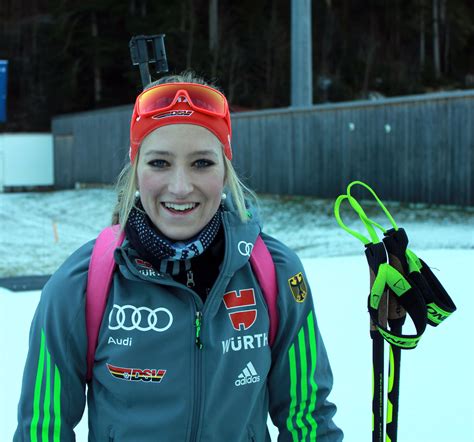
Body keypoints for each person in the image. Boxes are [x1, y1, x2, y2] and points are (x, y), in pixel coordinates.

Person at [14, 72, 343, 441]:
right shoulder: (81, 285)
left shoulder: (274, 274)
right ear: (135, 169)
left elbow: (308, 420)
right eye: (159, 163)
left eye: (202, 163)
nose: (181, 187)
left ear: (225, 169)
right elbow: (42, 430)